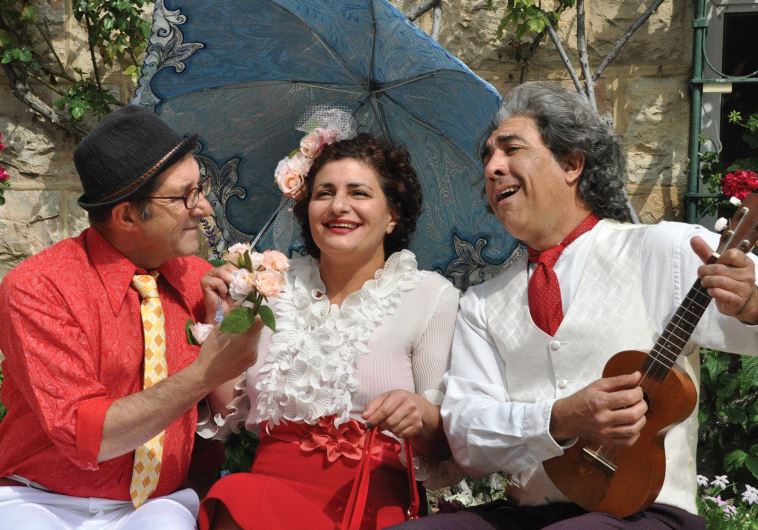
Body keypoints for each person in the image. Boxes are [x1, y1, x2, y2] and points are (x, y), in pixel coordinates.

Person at [392, 81, 758, 529]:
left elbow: (749, 310)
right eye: (487, 157)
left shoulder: (661, 249)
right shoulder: (482, 303)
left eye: (511, 149)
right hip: (529, 513)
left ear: (571, 163)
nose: (491, 167)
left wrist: (751, 304)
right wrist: (558, 418)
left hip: (647, 513)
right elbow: (467, 436)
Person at [0, 106, 262, 529]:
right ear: (126, 216)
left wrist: (230, 326)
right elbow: (87, 435)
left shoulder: (199, 280)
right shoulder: (38, 287)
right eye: (183, 196)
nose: (203, 208)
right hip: (39, 500)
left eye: (200, 188)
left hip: (157, 504)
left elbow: (232, 421)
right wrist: (204, 371)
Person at [197, 131, 461, 529]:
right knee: (235, 495)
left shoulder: (431, 296)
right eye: (324, 193)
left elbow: (442, 444)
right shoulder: (273, 288)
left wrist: (420, 415)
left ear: (393, 215)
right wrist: (220, 317)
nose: (338, 206)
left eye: (358, 193)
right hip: (264, 500)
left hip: (367, 504)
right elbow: (227, 413)